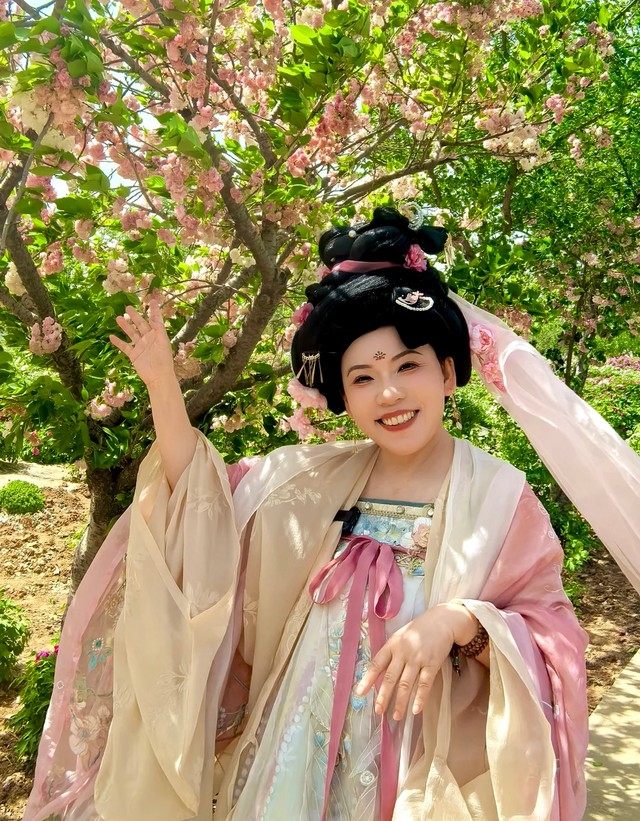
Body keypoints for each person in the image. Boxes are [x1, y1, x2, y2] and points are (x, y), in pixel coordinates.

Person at [24, 208, 593, 821]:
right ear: (342, 396)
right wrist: (164, 386)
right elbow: (203, 502)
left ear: (448, 372)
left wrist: (458, 622)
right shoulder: (317, 479)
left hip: (417, 748)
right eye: (363, 378)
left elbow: (552, 636)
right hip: (297, 735)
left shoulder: (499, 495)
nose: (390, 393)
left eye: (408, 366)